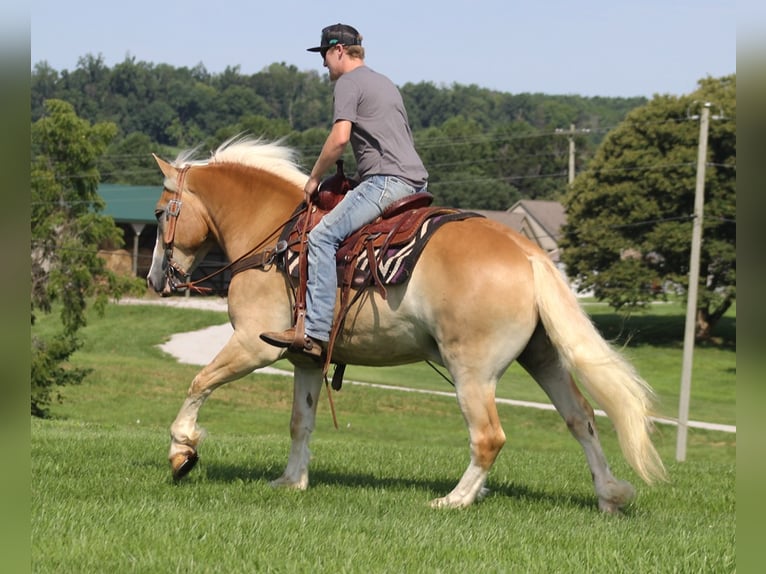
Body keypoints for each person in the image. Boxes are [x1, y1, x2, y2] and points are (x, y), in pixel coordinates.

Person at [260, 23, 428, 359]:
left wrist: (313, 179)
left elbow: (339, 140)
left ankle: (314, 332)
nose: (323, 64)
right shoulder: (384, 82)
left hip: (385, 183)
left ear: (338, 51)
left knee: (322, 237)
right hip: (415, 182)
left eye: (324, 54)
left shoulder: (349, 83)